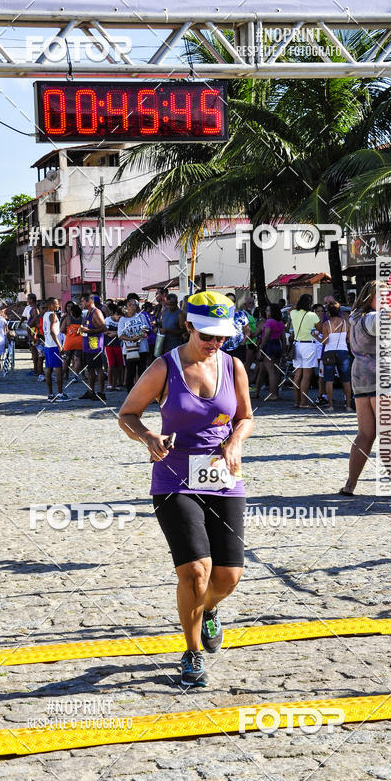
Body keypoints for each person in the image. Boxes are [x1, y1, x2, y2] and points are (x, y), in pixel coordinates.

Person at [118, 291, 253, 687]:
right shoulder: (164, 367)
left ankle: (208, 609)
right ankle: (192, 652)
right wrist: (148, 436)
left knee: (227, 577)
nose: (215, 343)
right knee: (195, 571)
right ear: (189, 326)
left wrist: (236, 441)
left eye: (222, 336)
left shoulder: (233, 366)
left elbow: (245, 417)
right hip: (174, 478)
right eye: (207, 335)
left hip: (222, 478)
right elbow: (127, 414)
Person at [340, 280, 391, 497]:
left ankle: (350, 484)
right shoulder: (375, 317)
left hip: (361, 376)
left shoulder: (355, 317)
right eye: (382, 296)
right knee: (387, 434)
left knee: (365, 434)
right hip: (383, 377)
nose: (387, 300)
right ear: (369, 297)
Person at [320, 301, 352, 412]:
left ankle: (330, 406)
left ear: (329, 312)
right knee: (346, 380)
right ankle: (348, 406)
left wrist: (315, 336)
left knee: (329, 380)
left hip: (329, 352)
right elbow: (348, 340)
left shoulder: (326, 324)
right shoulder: (346, 323)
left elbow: (325, 341)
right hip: (343, 351)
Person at [289, 294, 320, 408]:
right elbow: (319, 328)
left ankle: (297, 401)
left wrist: (296, 306)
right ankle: (304, 402)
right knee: (306, 376)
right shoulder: (313, 315)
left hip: (297, 345)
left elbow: (290, 309)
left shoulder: (293, 313)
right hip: (309, 346)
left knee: (297, 375)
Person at [252, 304, 286, 401]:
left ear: (272, 312)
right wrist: (284, 351)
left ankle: (273, 394)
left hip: (269, 345)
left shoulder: (269, 322)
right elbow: (283, 338)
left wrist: (261, 348)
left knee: (271, 371)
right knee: (269, 370)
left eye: (268, 310)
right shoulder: (281, 323)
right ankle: (258, 392)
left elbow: (266, 336)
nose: (266, 312)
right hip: (277, 345)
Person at [119, 297, 152, 392]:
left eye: (134, 305)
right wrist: (131, 339)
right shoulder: (123, 320)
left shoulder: (141, 317)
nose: (133, 307)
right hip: (129, 350)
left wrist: (142, 333)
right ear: (126, 307)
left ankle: (143, 392)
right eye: (130, 305)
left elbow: (147, 329)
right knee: (130, 372)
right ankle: (130, 393)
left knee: (142, 371)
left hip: (142, 348)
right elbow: (120, 335)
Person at [79, 292, 107, 402]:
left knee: (98, 369)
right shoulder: (88, 313)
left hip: (95, 346)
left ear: (89, 302)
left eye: (82, 301)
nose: (81, 303)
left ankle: (101, 393)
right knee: (90, 369)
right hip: (88, 345)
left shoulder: (96, 312)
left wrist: (89, 331)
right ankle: (91, 391)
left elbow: (104, 328)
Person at [43, 297, 68, 402]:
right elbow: (52, 331)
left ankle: (50, 394)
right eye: (56, 304)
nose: (58, 305)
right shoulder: (52, 315)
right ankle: (60, 394)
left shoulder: (45, 314)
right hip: (53, 345)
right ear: (51, 305)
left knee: (48, 370)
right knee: (58, 369)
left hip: (47, 345)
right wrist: (59, 346)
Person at [221, 293, 250, 362]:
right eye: (228, 300)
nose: (230, 303)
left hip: (238, 347)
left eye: (232, 301)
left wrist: (243, 343)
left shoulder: (240, 314)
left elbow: (247, 330)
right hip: (223, 347)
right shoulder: (220, 314)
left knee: (238, 367)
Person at [61, 302, 84, 387]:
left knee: (66, 359)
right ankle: (75, 376)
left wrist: (68, 332)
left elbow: (61, 330)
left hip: (69, 342)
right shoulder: (82, 319)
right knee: (77, 359)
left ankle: (62, 375)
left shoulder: (67, 319)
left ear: (71, 312)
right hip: (79, 342)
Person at [104, 303, 125, 390]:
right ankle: (109, 383)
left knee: (118, 365)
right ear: (115, 313)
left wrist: (114, 333)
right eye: (119, 317)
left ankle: (116, 383)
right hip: (109, 345)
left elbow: (123, 332)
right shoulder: (107, 320)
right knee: (111, 364)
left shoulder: (121, 321)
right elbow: (105, 332)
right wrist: (117, 333)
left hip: (119, 345)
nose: (120, 319)